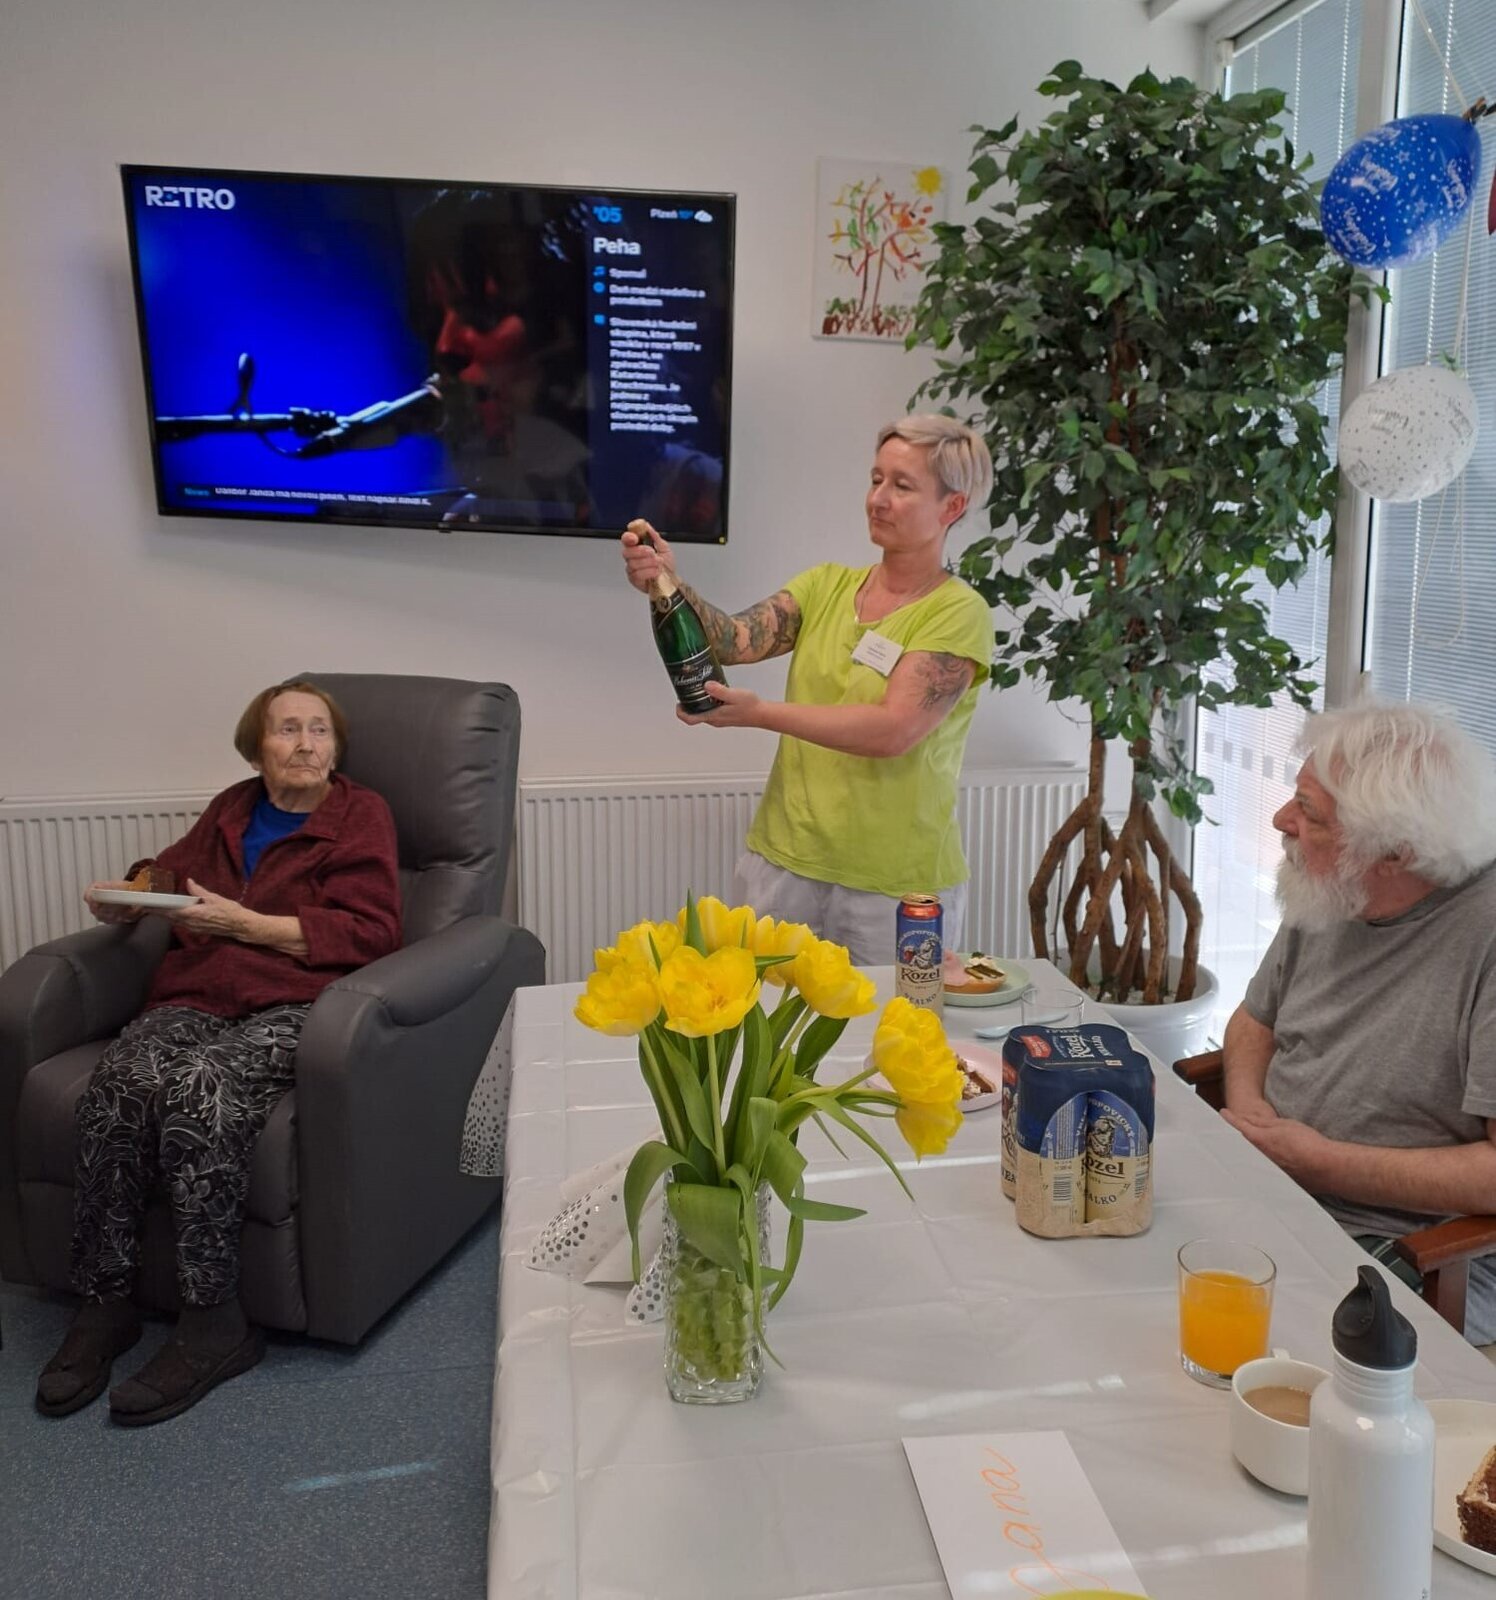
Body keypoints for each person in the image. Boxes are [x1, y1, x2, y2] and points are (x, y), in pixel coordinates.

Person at [35, 681, 402, 1424]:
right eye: (287, 729)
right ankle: (106, 1302)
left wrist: (246, 925)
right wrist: (130, 892)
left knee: (200, 1093)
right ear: (256, 747)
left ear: (337, 748)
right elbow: (176, 876)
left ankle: (214, 1321)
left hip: (296, 1001)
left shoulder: (361, 815)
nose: (305, 744)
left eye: (320, 730)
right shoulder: (233, 807)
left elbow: (370, 931)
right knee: (119, 1085)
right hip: (196, 995)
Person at [620, 413, 994, 965]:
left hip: (895, 886)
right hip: (786, 863)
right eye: (876, 479)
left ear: (952, 507)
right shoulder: (826, 585)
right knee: (767, 1020)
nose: (878, 499)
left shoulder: (959, 612)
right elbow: (734, 639)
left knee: (887, 1022)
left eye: (902, 486)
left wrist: (760, 713)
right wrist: (667, 582)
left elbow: (892, 731)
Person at [1220, 700, 1496, 1341]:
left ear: (1394, 852)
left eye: (1309, 812)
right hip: (1277, 1193)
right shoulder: (1332, 887)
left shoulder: (1484, 939)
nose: (1280, 820)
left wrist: (1322, 1164)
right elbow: (1254, 1019)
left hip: (1418, 1255)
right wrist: (1251, 1113)